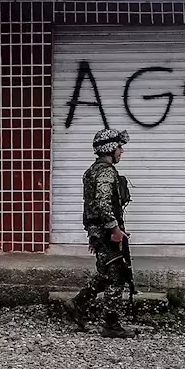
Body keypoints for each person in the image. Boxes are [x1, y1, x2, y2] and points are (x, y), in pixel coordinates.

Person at [70, 128, 136, 339]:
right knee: (116, 277)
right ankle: (111, 325)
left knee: (107, 274)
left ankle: (78, 303)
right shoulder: (106, 172)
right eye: (119, 147)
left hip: (97, 231)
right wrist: (114, 229)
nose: (121, 151)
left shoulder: (92, 171)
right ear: (110, 148)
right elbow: (102, 202)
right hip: (106, 232)